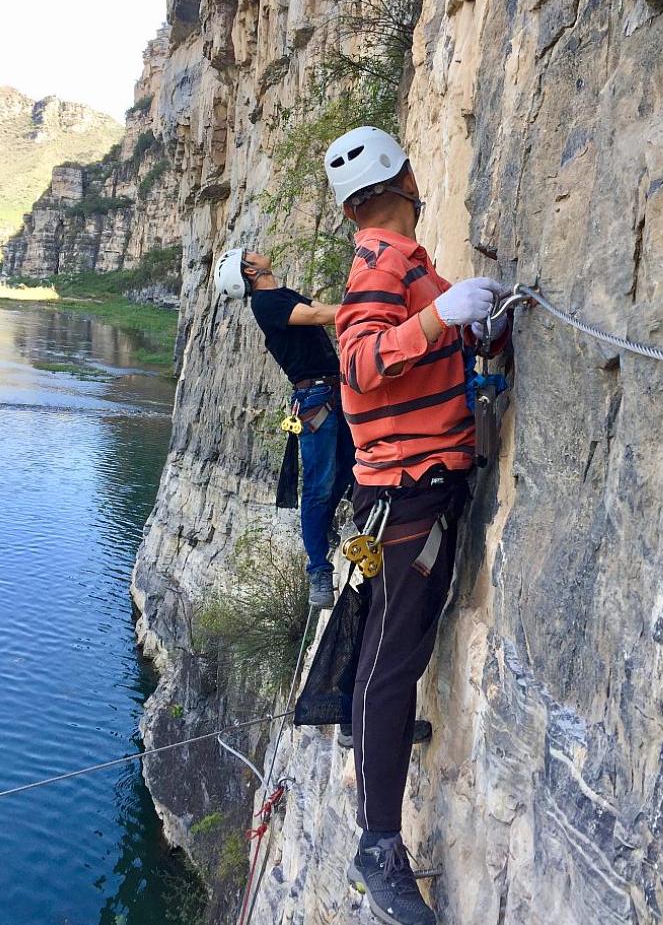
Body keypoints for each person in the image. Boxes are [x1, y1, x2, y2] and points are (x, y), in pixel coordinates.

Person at [324, 127, 511, 925]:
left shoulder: (405, 261)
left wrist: (475, 326)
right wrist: (439, 319)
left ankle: (373, 733)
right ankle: (377, 845)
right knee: (389, 663)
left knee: (385, 653)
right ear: (400, 175)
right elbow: (362, 362)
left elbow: (419, 351)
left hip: (411, 489)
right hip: (409, 493)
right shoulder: (382, 256)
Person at [213, 248, 354, 609]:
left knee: (350, 466)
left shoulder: (281, 295)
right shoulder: (266, 305)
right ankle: (319, 571)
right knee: (319, 485)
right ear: (249, 271)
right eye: (250, 254)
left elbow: (318, 307)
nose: (258, 252)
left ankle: (324, 527)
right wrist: (370, 308)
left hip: (333, 391)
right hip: (316, 399)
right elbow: (318, 314)